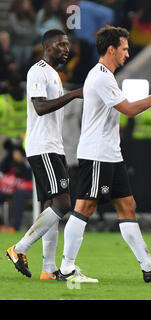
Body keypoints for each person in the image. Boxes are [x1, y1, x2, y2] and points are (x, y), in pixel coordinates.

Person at [57, 26, 151, 283]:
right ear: (111, 49)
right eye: (125, 48)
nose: (128, 53)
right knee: (85, 206)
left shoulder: (107, 76)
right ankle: (66, 269)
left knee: (127, 206)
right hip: (97, 154)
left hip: (110, 154)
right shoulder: (101, 76)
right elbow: (128, 110)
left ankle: (149, 268)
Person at [5, 29, 83, 280]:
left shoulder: (53, 74)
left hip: (52, 147)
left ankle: (48, 269)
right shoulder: (38, 70)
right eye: (61, 44)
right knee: (63, 203)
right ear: (47, 46)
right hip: (43, 147)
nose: (66, 49)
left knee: (52, 205)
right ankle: (19, 248)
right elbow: (39, 107)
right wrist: (73, 94)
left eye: (68, 44)